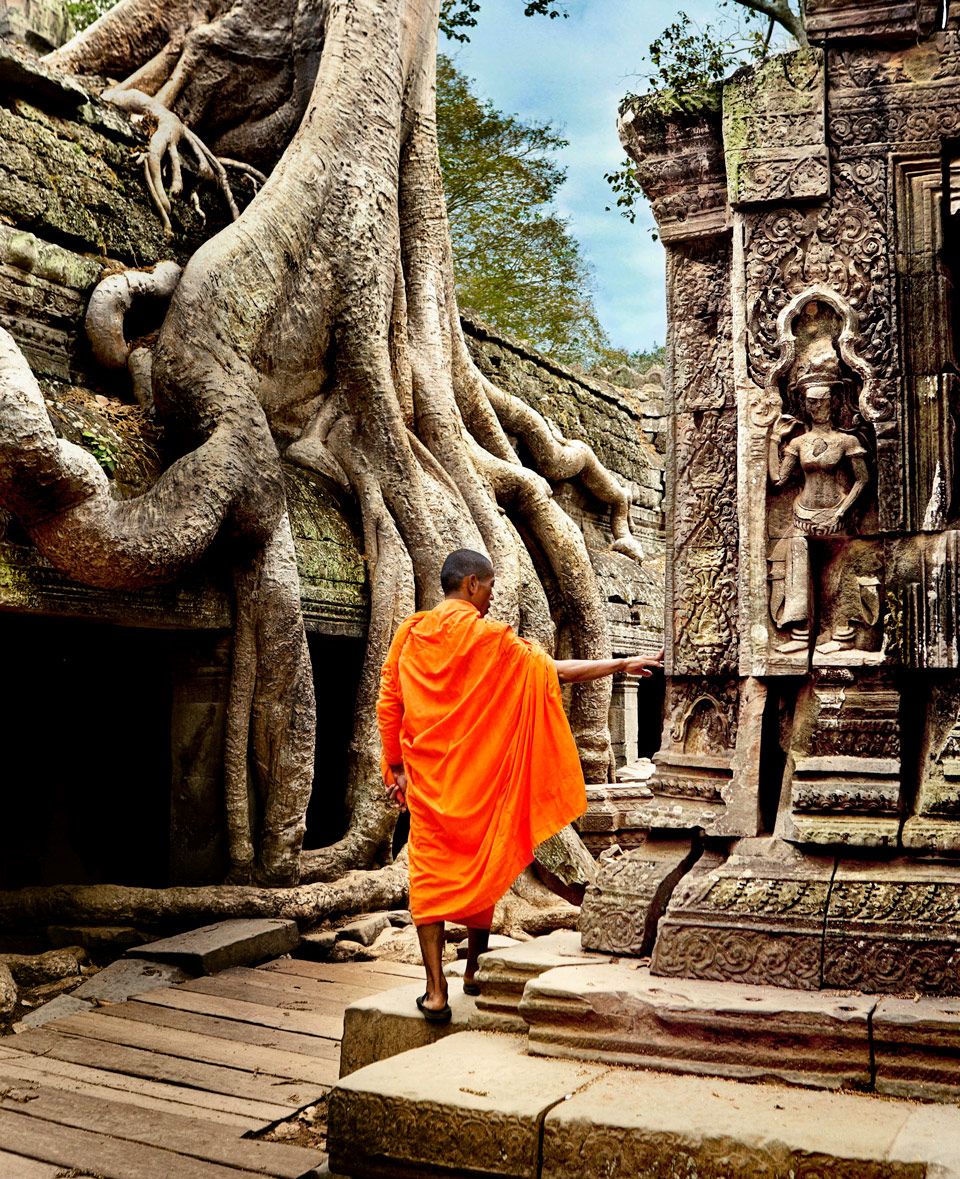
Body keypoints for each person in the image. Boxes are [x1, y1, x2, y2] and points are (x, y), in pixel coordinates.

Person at [376, 548, 664, 1022]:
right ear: (471, 585)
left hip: (426, 781)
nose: (491, 600)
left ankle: (435, 991)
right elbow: (553, 670)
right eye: (488, 589)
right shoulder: (494, 641)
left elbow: (389, 701)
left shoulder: (410, 634)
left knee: (426, 878)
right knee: (486, 864)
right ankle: (472, 969)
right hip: (479, 781)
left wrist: (397, 768)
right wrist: (620, 664)